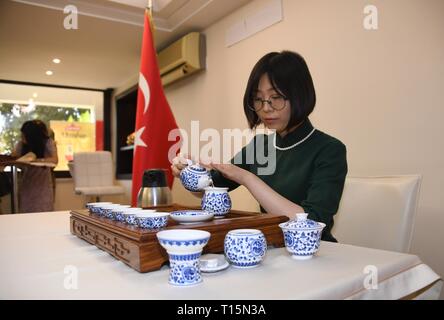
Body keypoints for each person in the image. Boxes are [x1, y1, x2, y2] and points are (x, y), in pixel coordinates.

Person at [171, 51, 347, 242]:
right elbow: (209, 187)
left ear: (301, 95)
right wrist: (189, 173)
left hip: (318, 253)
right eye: (258, 98)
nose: (266, 107)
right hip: (274, 248)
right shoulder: (259, 146)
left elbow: (312, 222)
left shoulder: (329, 149)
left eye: (276, 96)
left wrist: (246, 177)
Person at [11, 120, 58, 213]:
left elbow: (54, 160)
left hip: (43, 185)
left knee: (44, 212)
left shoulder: (47, 142)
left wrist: (35, 160)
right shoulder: (21, 144)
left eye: (24, 135)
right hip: (27, 185)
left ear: (31, 134)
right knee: (27, 213)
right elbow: (14, 159)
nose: (22, 137)